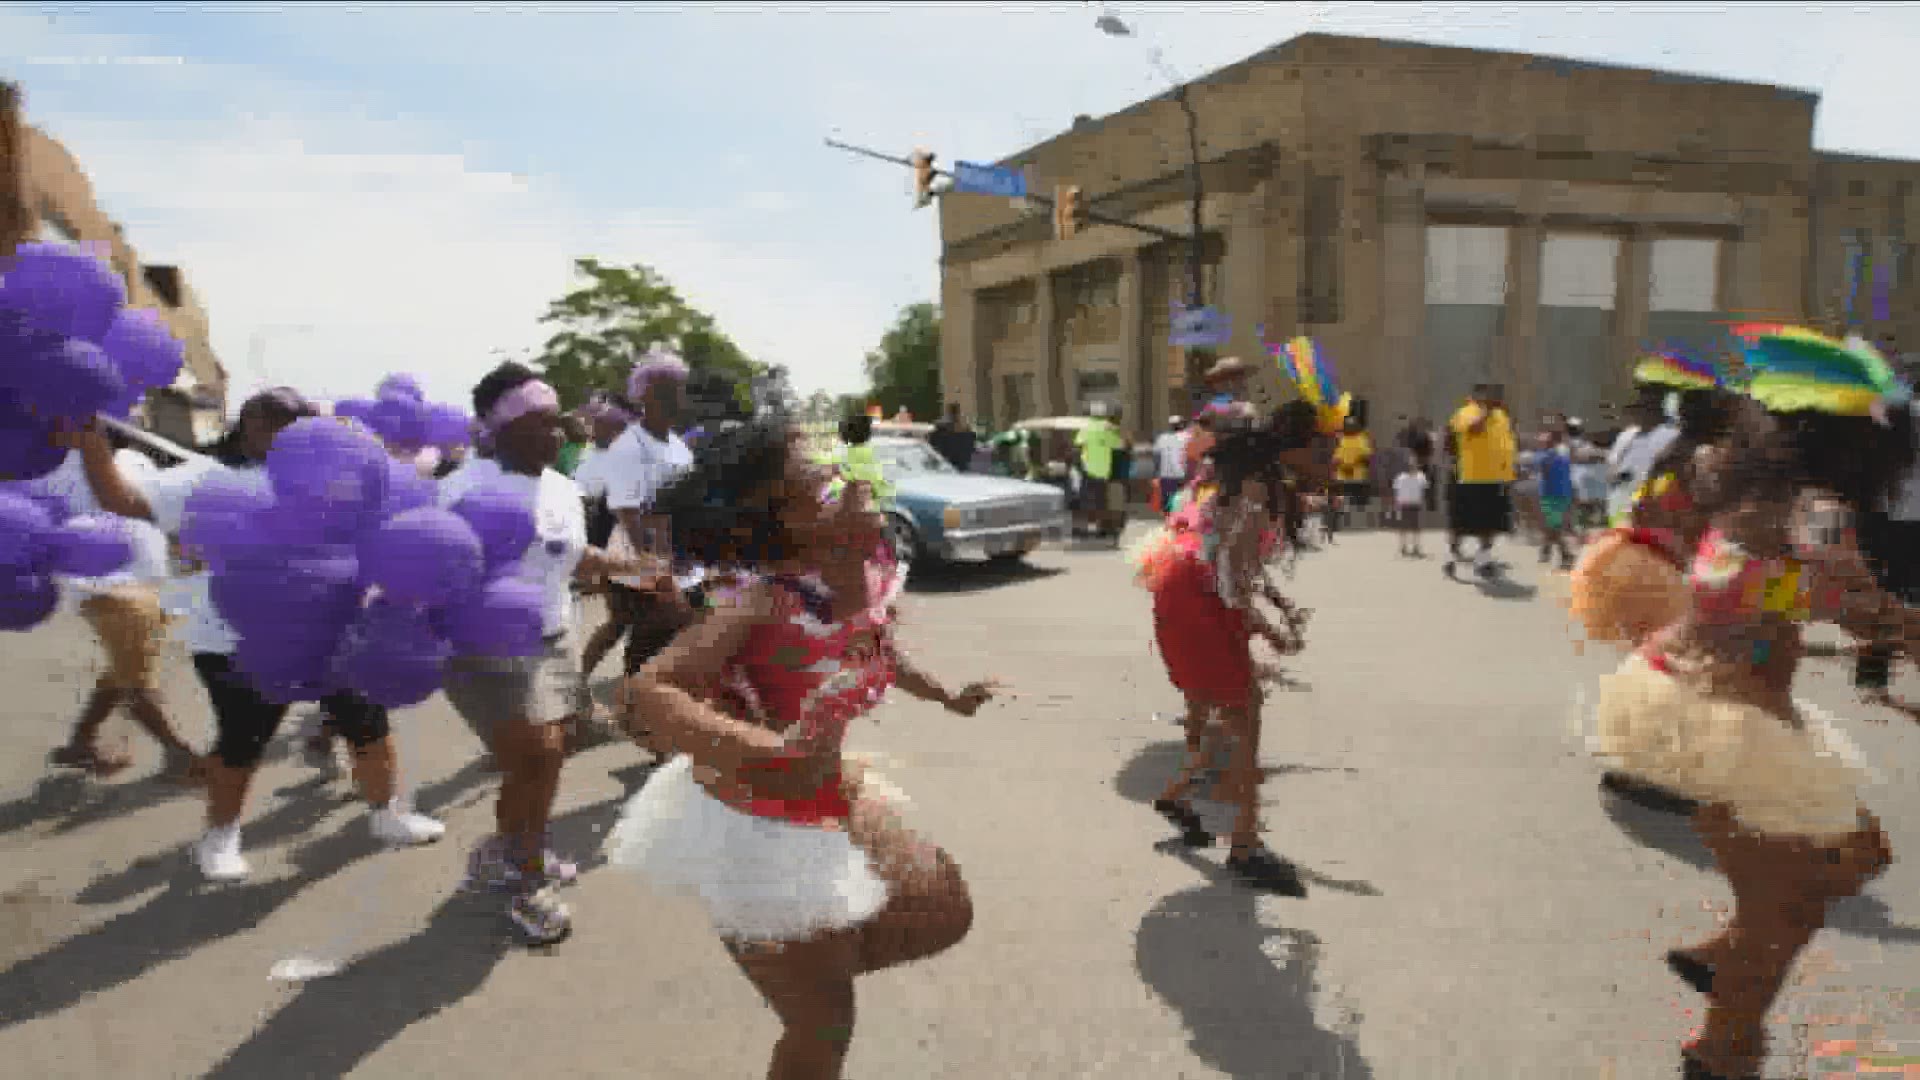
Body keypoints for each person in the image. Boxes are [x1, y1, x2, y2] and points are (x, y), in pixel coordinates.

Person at [609, 416, 993, 1080]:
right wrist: (763, 750)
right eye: (820, 483)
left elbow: (876, 652)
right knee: (822, 1027)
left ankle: (799, 961)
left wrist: (949, 695)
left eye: (842, 471)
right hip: (764, 824)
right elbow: (647, 692)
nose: (849, 486)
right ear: (773, 518)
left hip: (822, 789)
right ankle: (795, 968)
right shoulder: (756, 602)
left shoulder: (841, 589)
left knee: (941, 910)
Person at [1591, 352, 1917, 1080]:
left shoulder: (1758, 491)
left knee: (1858, 858)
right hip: (1720, 715)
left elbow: (1812, 597)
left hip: (1705, 699)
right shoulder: (1815, 508)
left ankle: (1723, 959)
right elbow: (1857, 602)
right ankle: (1723, 1052)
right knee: (1790, 908)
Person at [71, 389, 446, 882]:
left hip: (329, 632)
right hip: (236, 642)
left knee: (368, 727)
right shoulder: (202, 479)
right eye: (286, 426)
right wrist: (89, 438)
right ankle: (219, 838)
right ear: (252, 425)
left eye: (307, 425)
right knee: (243, 743)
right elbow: (122, 499)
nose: (300, 437)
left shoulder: (325, 480)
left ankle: (387, 813)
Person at [439, 362, 663, 945]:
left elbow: (571, 553)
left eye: (558, 419)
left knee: (552, 754)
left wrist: (632, 566)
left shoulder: (560, 487)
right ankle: (522, 879)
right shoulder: (464, 490)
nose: (559, 432)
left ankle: (507, 851)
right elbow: (427, 571)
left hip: (552, 636)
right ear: (502, 429)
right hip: (484, 649)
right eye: (541, 422)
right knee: (535, 756)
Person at [1127, 401, 1317, 893]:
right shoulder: (1254, 495)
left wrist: (1278, 606)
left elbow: (1233, 561)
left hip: (1183, 596)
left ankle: (1180, 797)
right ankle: (1246, 847)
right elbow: (1231, 577)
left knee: (1223, 709)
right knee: (1244, 716)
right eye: (1319, 450)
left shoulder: (1230, 486)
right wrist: (1268, 628)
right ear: (1289, 452)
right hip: (1200, 605)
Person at [35, 438, 199, 780]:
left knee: (124, 670)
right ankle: (180, 756)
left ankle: (81, 742)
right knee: (137, 680)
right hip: (107, 587)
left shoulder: (135, 461)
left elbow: (157, 510)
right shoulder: (51, 467)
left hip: (151, 581)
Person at [596, 355, 705, 680]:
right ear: (644, 396)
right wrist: (659, 572)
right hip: (648, 566)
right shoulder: (629, 448)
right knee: (648, 646)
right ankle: (634, 711)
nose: (676, 400)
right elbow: (628, 515)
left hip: (683, 562)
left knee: (686, 643)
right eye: (666, 393)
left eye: (678, 392)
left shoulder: (679, 448)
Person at [1445, 383, 1517, 580]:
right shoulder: (1465, 412)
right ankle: (1452, 556)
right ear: (1475, 395)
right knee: (1463, 524)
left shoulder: (1502, 416)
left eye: (1495, 393)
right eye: (1486, 393)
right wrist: (1487, 410)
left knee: (1492, 523)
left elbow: (1506, 444)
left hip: (1496, 478)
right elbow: (1473, 429)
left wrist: (1510, 473)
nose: (1493, 396)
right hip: (1471, 477)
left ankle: (1483, 560)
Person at [1606, 382, 1681, 526]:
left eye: (1646, 407)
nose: (1639, 413)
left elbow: (1670, 471)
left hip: (1650, 506)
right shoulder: (1626, 435)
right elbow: (1612, 466)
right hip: (1619, 503)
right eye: (1636, 408)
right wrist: (1617, 476)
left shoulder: (1671, 436)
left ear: (1657, 409)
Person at [1072, 404, 1128, 541]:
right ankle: (1100, 528)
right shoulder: (1106, 428)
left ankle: (1084, 528)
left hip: (1087, 470)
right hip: (1102, 472)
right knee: (1101, 501)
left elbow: (1077, 445)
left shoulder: (1085, 428)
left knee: (1085, 501)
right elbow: (1120, 445)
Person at [1536, 417, 1577, 570]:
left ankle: (1565, 554)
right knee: (1552, 525)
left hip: (1553, 495)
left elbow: (1545, 472)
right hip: (1559, 494)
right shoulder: (1561, 452)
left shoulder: (1549, 455)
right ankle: (1547, 549)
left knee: (1554, 526)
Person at [1330, 417, 1374, 532]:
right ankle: (1338, 525)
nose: (1350, 428)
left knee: (1358, 503)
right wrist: (1342, 467)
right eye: (1348, 426)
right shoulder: (1341, 439)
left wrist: (1350, 466)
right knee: (1340, 501)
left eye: (1352, 426)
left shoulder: (1362, 439)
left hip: (1357, 477)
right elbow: (1335, 459)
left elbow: (1366, 457)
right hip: (1342, 476)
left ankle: (1356, 525)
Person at [1152, 416, 1190, 515]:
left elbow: (1156, 457)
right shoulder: (1188, 437)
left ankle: (1168, 523)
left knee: (1167, 504)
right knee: (1181, 504)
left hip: (1166, 474)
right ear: (1183, 424)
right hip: (1183, 474)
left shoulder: (1162, 438)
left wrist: (1156, 474)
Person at [1392, 459, 1430, 558]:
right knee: (1403, 527)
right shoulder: (1400, 477)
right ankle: (1403, 547)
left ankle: (1416, 548)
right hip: (1404, 504)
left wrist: (1424, 502)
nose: (1411, 466)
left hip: (1416, 504)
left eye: (1413, 465)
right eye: (1410, 465)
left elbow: (1425, 490)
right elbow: (1396, 491)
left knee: (1416, 528)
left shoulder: (1421, 476)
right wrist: (1396, 503)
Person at [928, 403, 977, 473]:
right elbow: (971, 448)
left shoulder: (940, 431)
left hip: (948, 463)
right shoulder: (966, 431)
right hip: (960, 463)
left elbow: (934, 446)